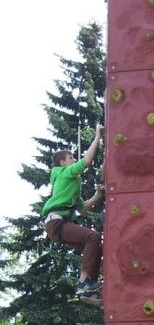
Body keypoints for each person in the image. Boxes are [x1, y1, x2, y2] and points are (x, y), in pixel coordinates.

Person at [41, 126, 105, 297]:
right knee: (93, 236)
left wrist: (98, 196)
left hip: (56, 225)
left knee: (96, 245)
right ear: (62, 162)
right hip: (56, 222)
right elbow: (87, 161)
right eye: (70, 157)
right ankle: (84, 281)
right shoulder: (63, 173)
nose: (73, 159)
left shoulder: (72, 185)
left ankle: (88, 287)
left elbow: (82, 209)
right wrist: (97, 136)